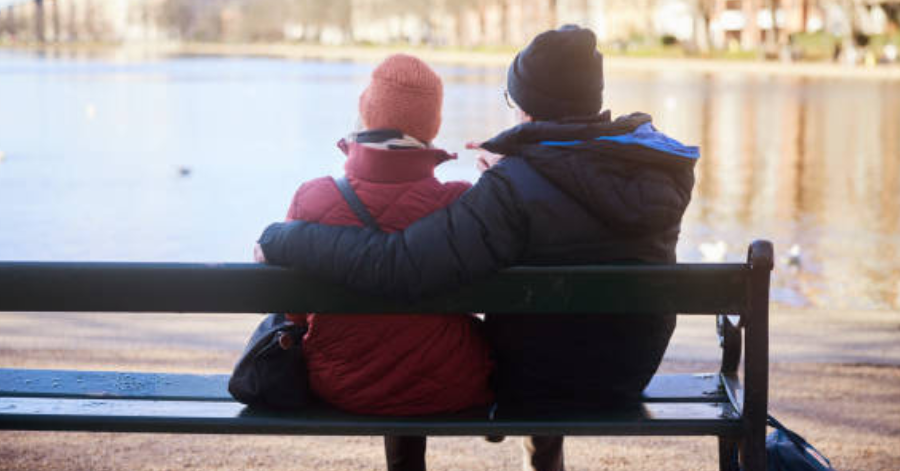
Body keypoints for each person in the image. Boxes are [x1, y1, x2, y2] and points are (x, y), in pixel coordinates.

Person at [256, 25, 699, 471]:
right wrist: (518, 172)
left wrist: (282, 238)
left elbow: (401, 266)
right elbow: (576, 185)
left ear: (528, 107)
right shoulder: (655, 170)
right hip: (626, 374)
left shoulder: (510, 189)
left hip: (532, 382)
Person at [278, 54, 494, 471]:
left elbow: (294, 312)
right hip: (449, 382)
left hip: (341, 384)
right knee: (420, 339)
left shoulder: (313, 198)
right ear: (431, 126)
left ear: (367, 113)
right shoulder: (461, 203)